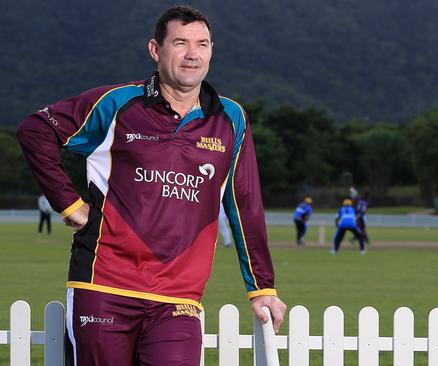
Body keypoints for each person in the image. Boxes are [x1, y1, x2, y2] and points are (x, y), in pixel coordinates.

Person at [16, 6, 285, 365]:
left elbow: (244, 203)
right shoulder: (116, 104)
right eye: (180, 42)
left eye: (202, 44)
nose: (193, 53)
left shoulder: (230, 119)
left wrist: (262, 287)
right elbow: (36, 130)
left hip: (179, 297)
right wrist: (69, 204)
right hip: (103, 283)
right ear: (156, 50)